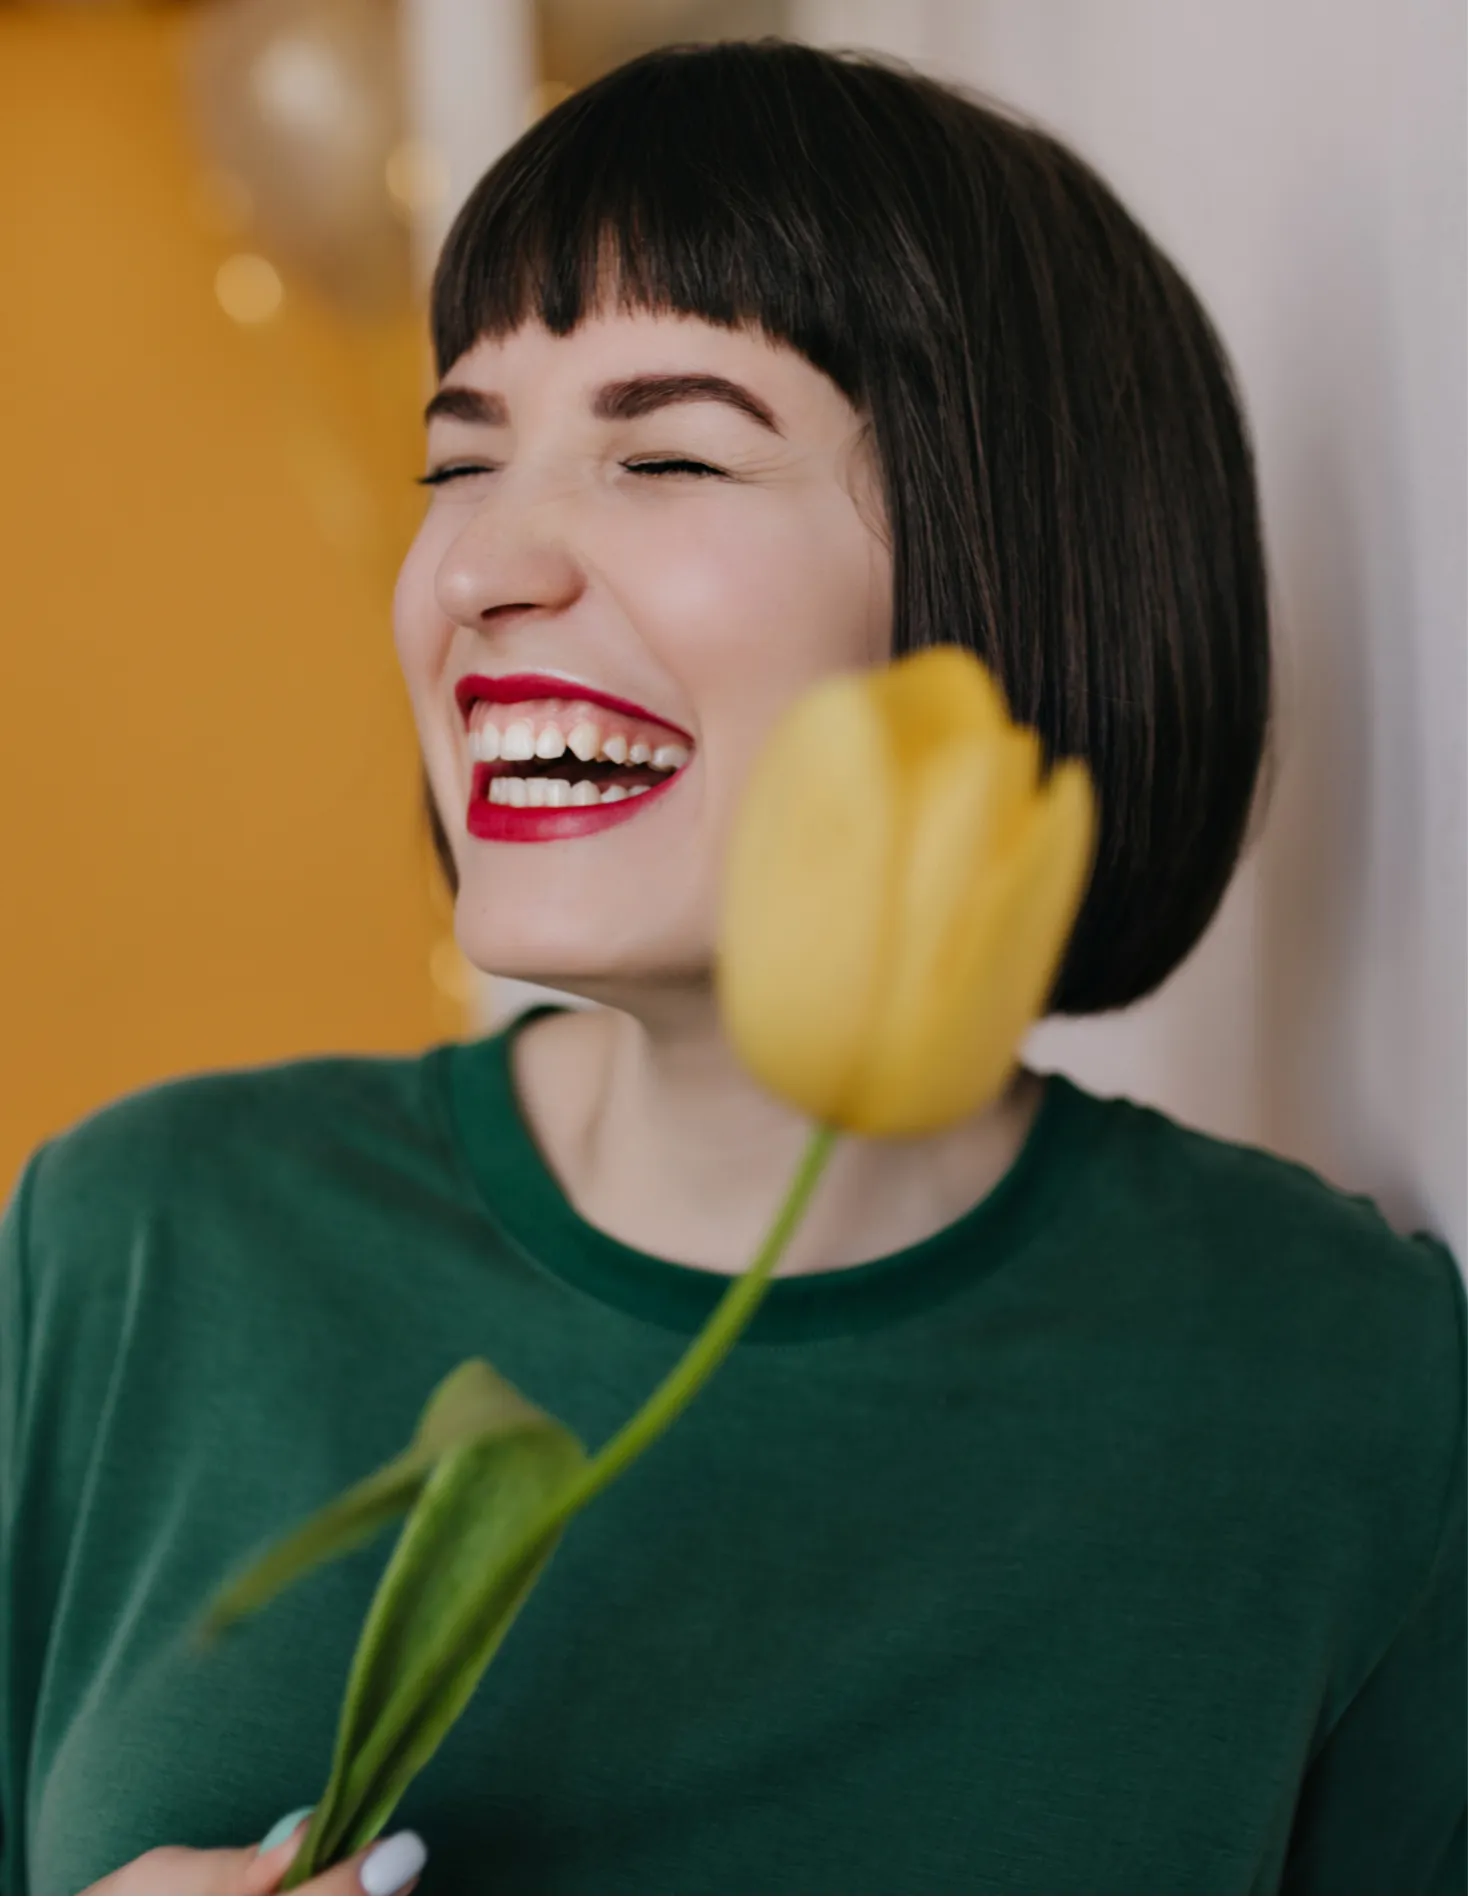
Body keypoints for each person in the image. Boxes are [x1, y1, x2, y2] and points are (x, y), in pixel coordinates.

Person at [2, 35, 1463, 1897]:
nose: (475, 571)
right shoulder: (138, 1247)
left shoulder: (1341, 1383)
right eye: (460, 460)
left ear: (1011, 568)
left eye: (667, 448)